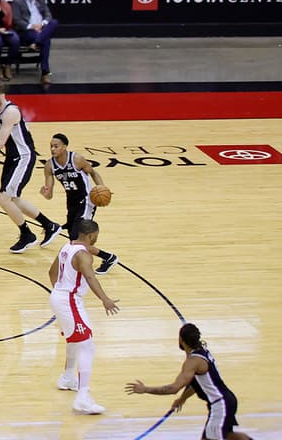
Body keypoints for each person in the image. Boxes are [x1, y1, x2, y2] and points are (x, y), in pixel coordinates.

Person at [0, 82, 61, 252]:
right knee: (14, 199)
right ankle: (49, 226)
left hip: (23, 157)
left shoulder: (11, 112)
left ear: (3, 95)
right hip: (13, 157)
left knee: (3, 198)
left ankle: (27, 234)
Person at [126, 323, 255, 440]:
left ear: (181, 340)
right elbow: (198, 383)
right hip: (227, 400)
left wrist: (146, 389)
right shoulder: (202, 353)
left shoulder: (192, 362)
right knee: (227, 435)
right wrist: (183, 398)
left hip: (220, 405)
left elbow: (173, 388)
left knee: (214, 437)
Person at [48, 219, 120, 415]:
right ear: (90, 236)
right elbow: (90, 277)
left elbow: (52, 272)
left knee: (74, 341)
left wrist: (59, 293)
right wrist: (105, 299)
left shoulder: (66, 247)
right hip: (69, 300)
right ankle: (83, 397)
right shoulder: (83, 255)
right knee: (87, 344)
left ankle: (67, 377)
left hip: (59, 297)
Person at [41, 133, 119, 274]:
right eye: (51, 146)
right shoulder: (49, 166)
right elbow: (49, 195)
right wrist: (45, 192)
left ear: (64, 147)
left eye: (56, 146)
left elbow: (94, 173)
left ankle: (100, 260)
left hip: (86, 201)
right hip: (71, 203)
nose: (52, 149)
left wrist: (102, 187)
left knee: (77, 240)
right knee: (73, 240)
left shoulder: (76, 159)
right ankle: (108, 257)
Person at [12, 0, 59, 85]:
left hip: (41, 28)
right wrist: (31, 26)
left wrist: (41, 24)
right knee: (46, 40)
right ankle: (45, 73)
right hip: (27, 31)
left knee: (54, 22)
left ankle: (36, 42)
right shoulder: (17, 2)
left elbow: (48, 15)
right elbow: (16, 20)